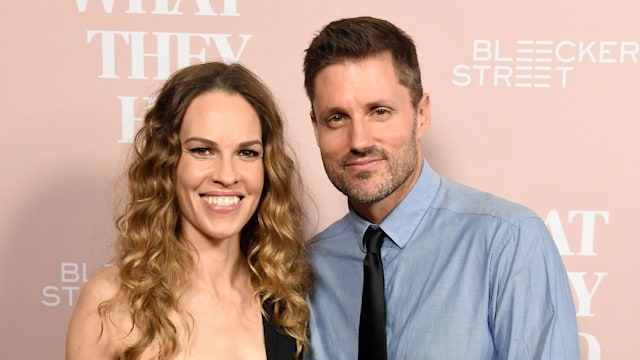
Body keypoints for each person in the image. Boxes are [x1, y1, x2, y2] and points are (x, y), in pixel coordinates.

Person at [302, 16, 580, 359]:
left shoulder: (507, 241)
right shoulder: (306, 267)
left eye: (380, 111)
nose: (359, 140)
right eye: (337, 118)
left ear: (421, 114)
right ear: (316, 128)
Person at [65, 61, 311, 360]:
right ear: (167, 162)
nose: (227, 174)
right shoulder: (111, 301)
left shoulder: (290, 303)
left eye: (247, 153)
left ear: (267, 167)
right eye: (202, 150)